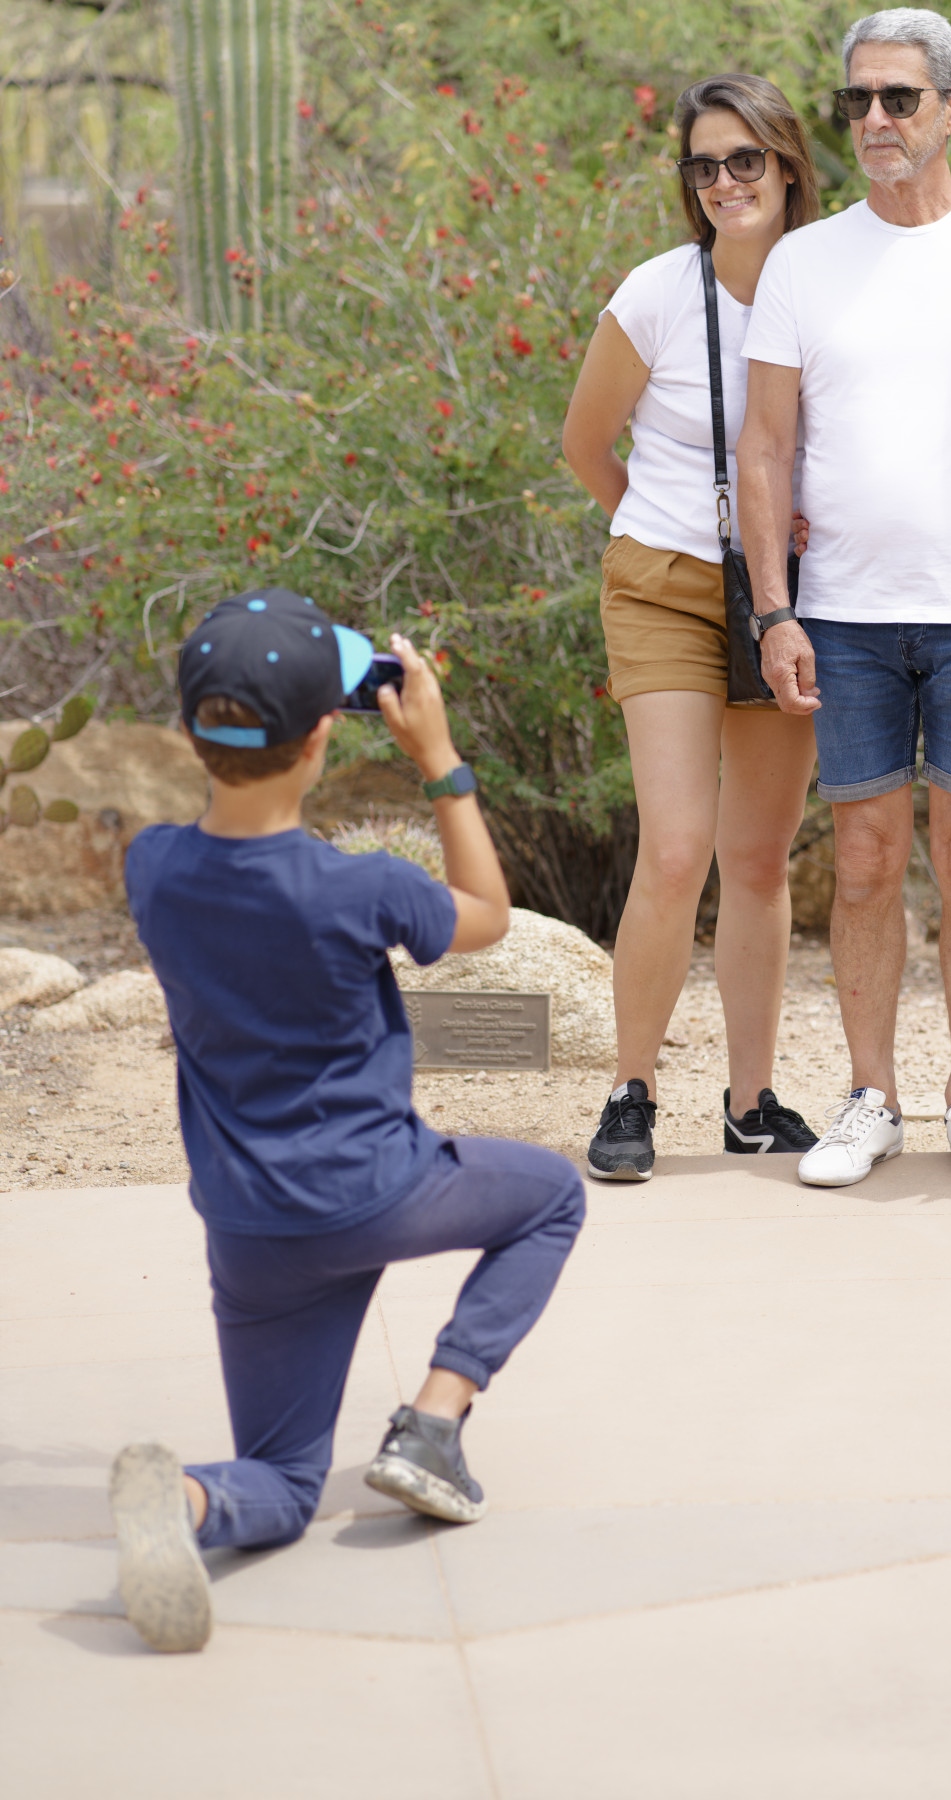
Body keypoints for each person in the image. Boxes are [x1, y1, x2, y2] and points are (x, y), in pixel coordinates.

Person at [109, 589, 584, 1652]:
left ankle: (186, 1503)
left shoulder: (152, 869)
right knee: (549, 1194)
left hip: (249, 1231)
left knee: (281, 1476)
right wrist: (442, 759)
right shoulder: (361, 889)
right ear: (327, 733)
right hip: (378, 1192)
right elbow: (491, 917)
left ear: (193, 731)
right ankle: (433, 1420)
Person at [737, 6, 951, 1191]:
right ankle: (871, 1095)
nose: (874, 120)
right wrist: (773, 611)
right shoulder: (802, 259)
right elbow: (766, 449)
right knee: (870, 859)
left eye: (897, 97)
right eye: (856, 100)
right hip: (843, 613)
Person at [562, 74, 823, 1181]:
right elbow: (584, 443)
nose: (724, 183)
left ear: (789, 167)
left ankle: (752, 1101)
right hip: (667, 582)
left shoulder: (835, 284)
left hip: (791, 594)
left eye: (744, 162)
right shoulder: (659, 293)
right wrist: (670, 535)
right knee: (675, 849)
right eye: (703, 166)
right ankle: (633, 1087)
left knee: (757, 858)